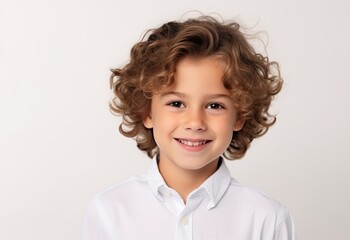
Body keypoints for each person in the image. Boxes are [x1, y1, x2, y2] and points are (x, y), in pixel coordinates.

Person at [83, 16, 296, 240]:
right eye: (176, 104)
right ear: (146, 111)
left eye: (215, 105)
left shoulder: (267, 219)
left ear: (240, 115)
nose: (195, 122)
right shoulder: (108, 212)